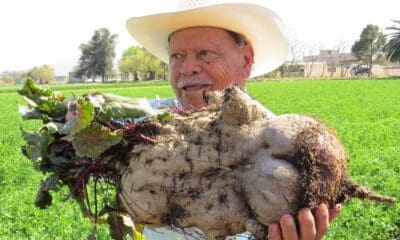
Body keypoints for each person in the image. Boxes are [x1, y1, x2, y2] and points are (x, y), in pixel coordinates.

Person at [126, 0, 341, 239]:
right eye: (177, 56)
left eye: (205, 53)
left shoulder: (282, 148)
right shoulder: (146, 125)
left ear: (246, 60)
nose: (187, 68)